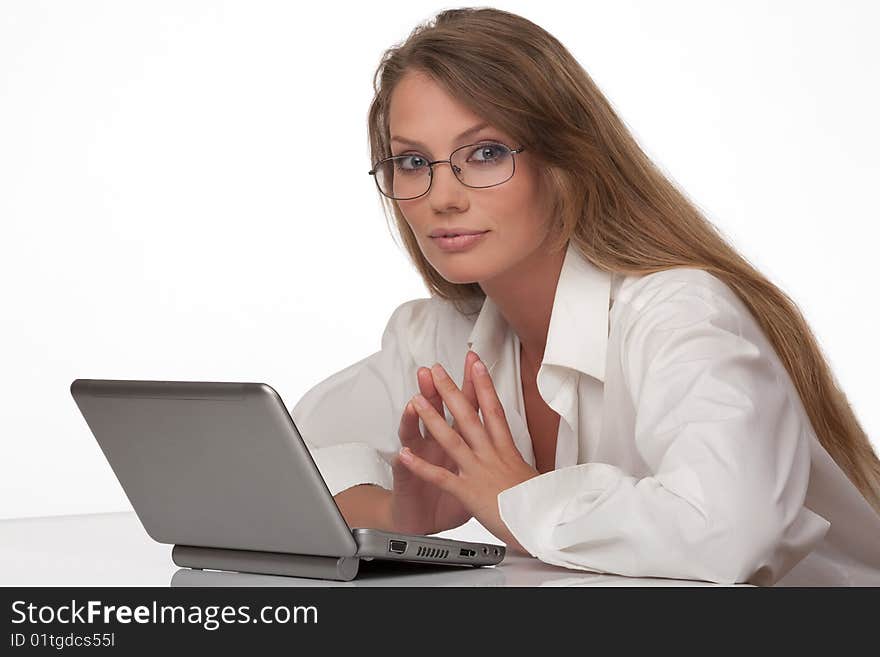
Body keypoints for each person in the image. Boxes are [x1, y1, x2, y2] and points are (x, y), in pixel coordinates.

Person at [291, 7, 880, 586]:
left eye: (487, 153)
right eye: (414, 161)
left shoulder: (677, 312)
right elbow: (279, 471)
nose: (442, 195)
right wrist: (397, 518)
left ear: (566, 162)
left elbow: (732, 531)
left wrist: (521, 499)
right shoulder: (435, 337)